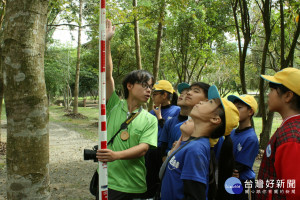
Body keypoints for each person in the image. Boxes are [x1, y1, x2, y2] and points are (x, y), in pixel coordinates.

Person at [96, 19, 158, 200]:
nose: (149, 90)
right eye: (144, 85)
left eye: (151, 87)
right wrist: (106, 43)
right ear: (129, 86)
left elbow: (143, 149)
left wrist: (115, 155)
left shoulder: (150, 119)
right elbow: (107, 75)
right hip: (107, 180)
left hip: (134, 186)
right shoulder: (114, 104)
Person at [160, 85, 239, 200]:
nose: (203, 102)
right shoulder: (191, 144)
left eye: (210, 102)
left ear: (215, 119)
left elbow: (195, 195)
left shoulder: (196, 150)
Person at [256, 67, 300, 200]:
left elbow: (294, 192)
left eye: (271, 90)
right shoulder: (289, 126)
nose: (268, 94)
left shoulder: (292, 138)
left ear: (287, 96)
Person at [227, 94, 259, 199]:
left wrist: (229, 170)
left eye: (239, 107)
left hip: (244, 181)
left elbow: (239, 166)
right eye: (234, 107)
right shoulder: (231, 133)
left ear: (250, 112)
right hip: (232, 178)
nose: (235, 110)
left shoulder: (251, 138)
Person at [160, 82, 190, 161]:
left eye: (187, 94)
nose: (182, 95)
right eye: (181, 93)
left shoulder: (195, 124)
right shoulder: (170, 122)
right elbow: (163, 146)